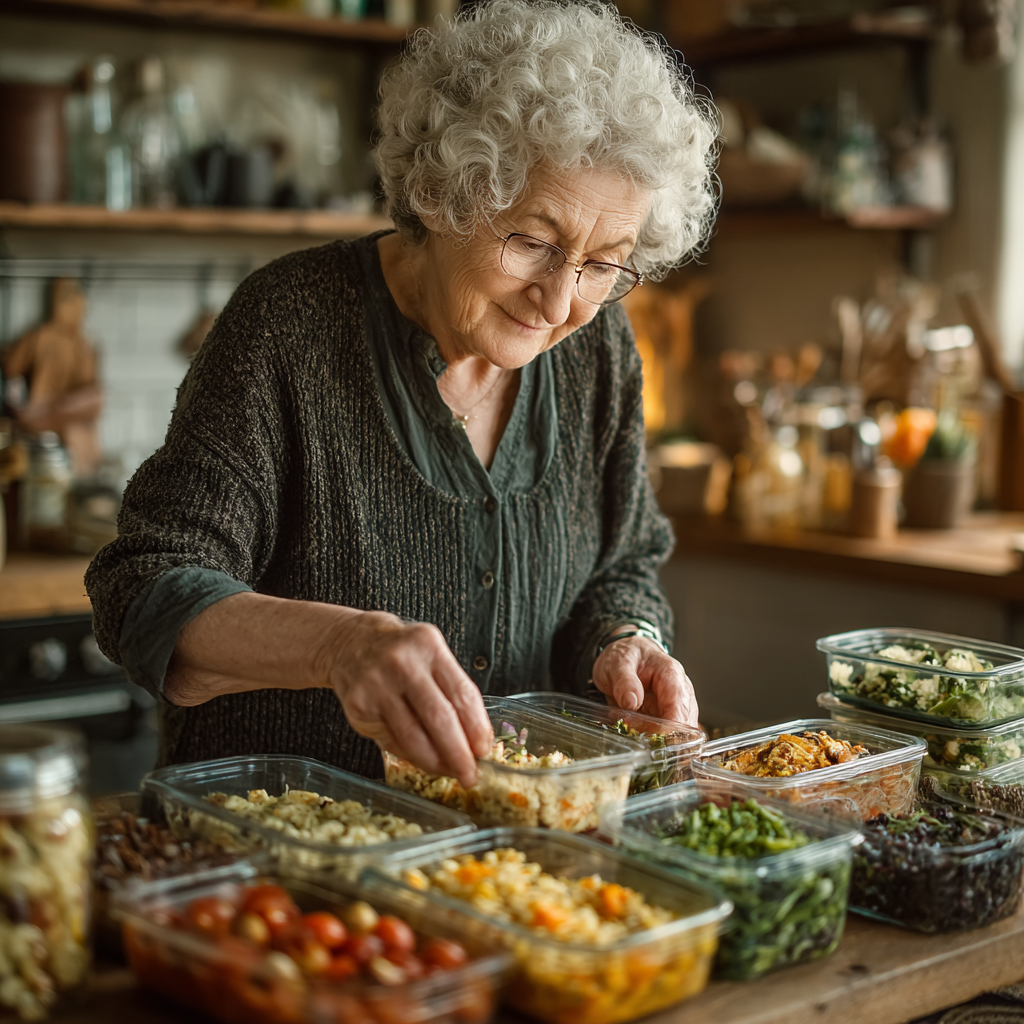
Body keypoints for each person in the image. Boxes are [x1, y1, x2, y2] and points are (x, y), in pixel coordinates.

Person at [85, 0, 718, 788]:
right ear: (441, 194)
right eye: (532, 242)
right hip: (276, 838)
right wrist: (338, 646)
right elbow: (144, 591)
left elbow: (620, 565)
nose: (560, 302)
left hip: (512, 849)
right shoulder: (288, 324)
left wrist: (627, 637)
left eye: (602, 264)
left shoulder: (599, 348)